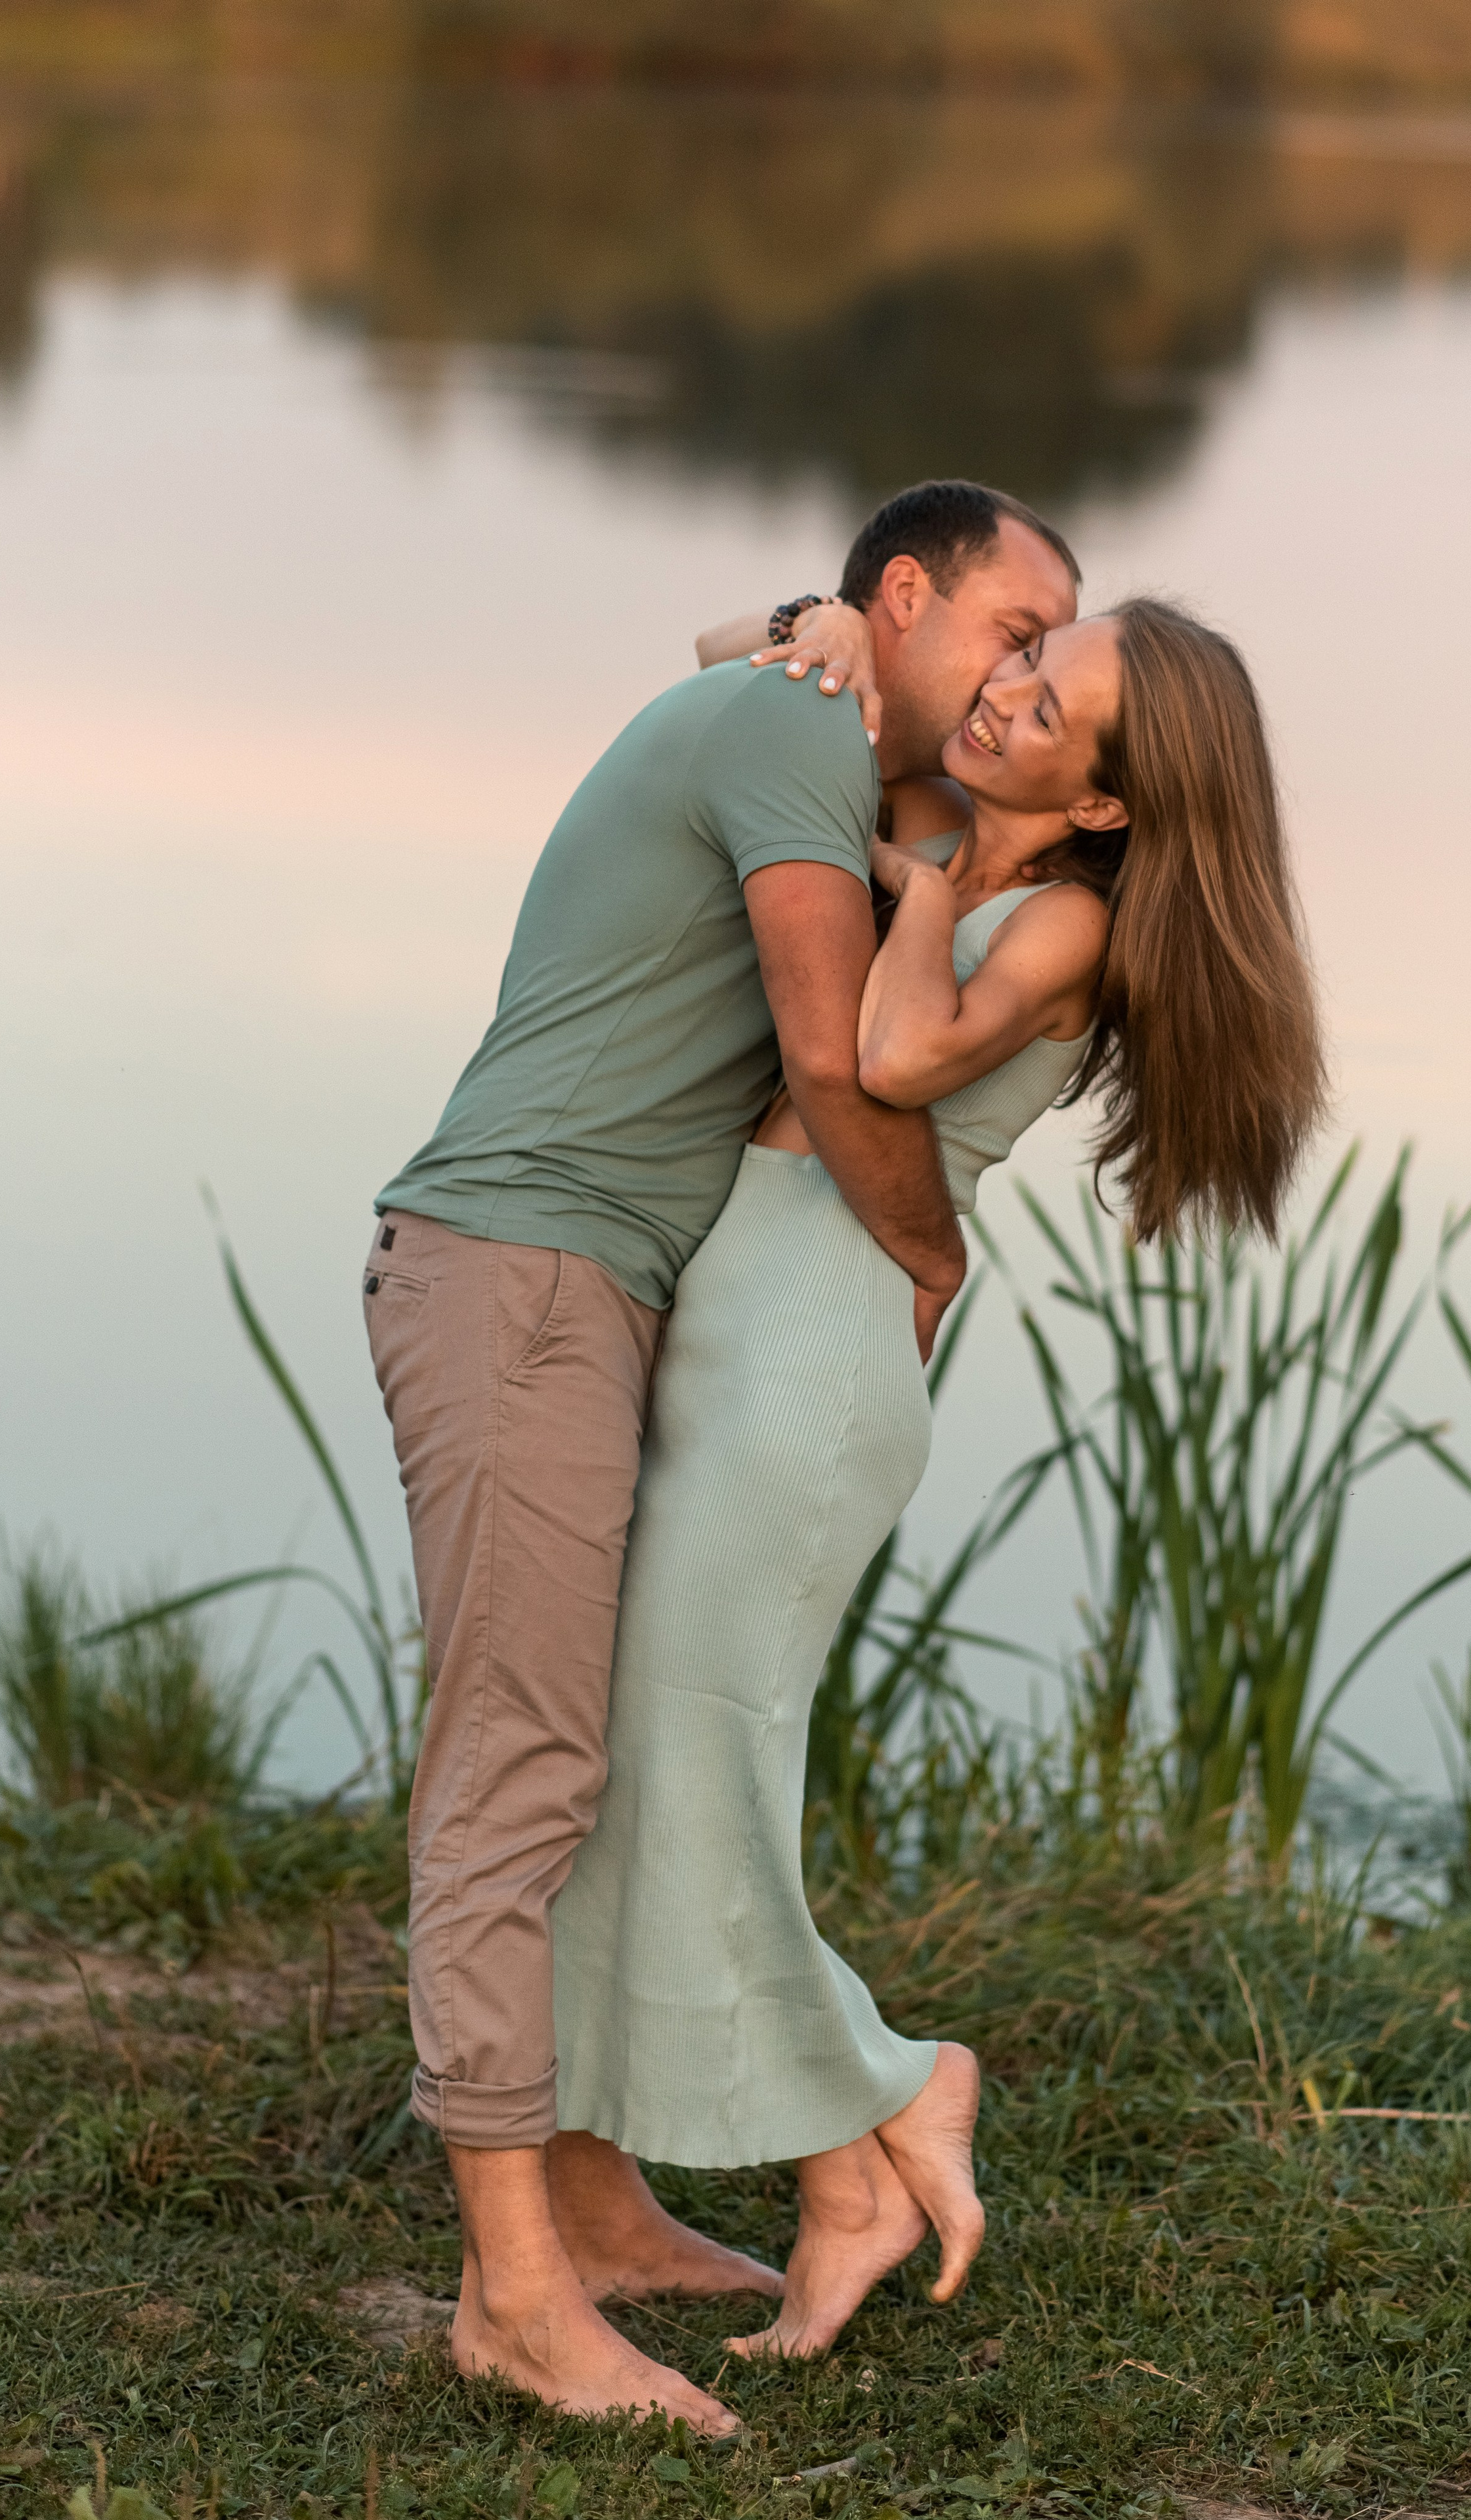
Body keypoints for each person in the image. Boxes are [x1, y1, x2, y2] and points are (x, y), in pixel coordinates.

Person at [362, 480, 1082, 2429]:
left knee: (578, 1742)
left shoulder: (809, 716)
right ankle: (515, 2297)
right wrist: (930, 1251)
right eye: (1014, 630)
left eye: (1052, 662)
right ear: (910, 593)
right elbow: (829, 1044)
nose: (1026, 670)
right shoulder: (793, 723)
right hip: (524, 1269)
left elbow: (778, 699)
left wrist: (803, 620)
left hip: (602, 1287)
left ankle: (591, 2210)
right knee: (518, 1768)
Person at [551, 593, 1328, 2357]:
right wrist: (817, 620)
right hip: (741, 1302)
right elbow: (708, 662)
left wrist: (920, 893)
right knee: (650, 1748)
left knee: (698, 1751)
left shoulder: (1056, 920)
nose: (1001, 694)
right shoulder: (947, 841)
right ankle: (848, 2168)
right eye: (1023, 662)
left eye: (1051, 705)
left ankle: (894, 2094)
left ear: (1114, 803)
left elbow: (887, 1062)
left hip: (817, 1354)